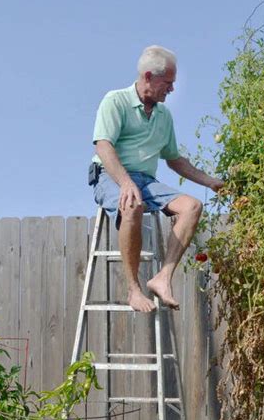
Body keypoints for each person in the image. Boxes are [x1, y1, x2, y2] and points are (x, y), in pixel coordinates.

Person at [92, 45, 224, 313]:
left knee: (192, 207)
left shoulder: (164, 116)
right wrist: (126, 183)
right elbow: (103, 146)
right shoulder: (115, 101)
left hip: (146, 180)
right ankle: (133, 290)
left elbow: (174, 159)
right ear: (149, 76)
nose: (172, 89)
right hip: (110, 174)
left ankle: (162, 277)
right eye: (168, 83)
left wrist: (209, 181)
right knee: (132, 205)